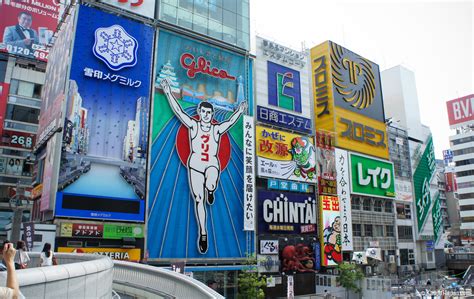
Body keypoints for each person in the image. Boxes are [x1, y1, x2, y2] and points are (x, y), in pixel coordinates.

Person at [161, 78, 246, 254]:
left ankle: (211, 189)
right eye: (204, 111)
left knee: (211, 183)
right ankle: (203, 233)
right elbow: (178, 111)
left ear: (212, 114)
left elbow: (230, 122)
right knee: (199, 200)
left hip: (212, 164)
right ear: (199, 112)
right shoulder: (193, 126)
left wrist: (239, 111)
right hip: (196, 165)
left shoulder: (216, 129)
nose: (206, 114)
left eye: (209, 112)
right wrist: (168, 92)